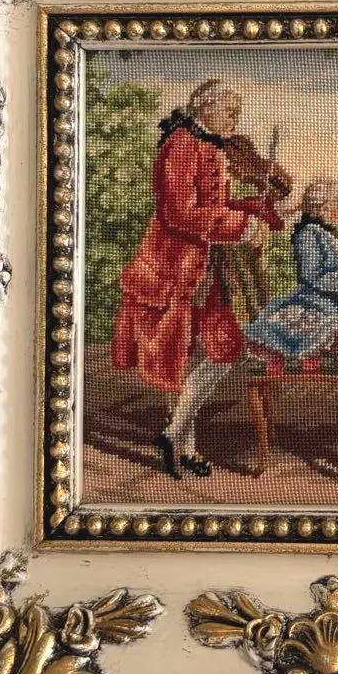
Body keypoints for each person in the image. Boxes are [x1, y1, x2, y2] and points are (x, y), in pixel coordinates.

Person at [110, 79, 283, 479]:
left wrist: (259, 212)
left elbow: (213, 206)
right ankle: (184, 446)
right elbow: (179, 214)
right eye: (230, 111)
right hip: (174, 269)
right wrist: (240, 225)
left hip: (206, 271)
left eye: (237, 112)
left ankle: (173, 435)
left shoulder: (210, 146)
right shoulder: (181, 145)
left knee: (224, 350)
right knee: (181, 357)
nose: (235, 119)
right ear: (204, 108)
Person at [245, 179, 338, 359]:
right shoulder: (308, 234)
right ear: (322, 208)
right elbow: (315, 278)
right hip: (313, 304)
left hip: (332, 305)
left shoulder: (325, 235)